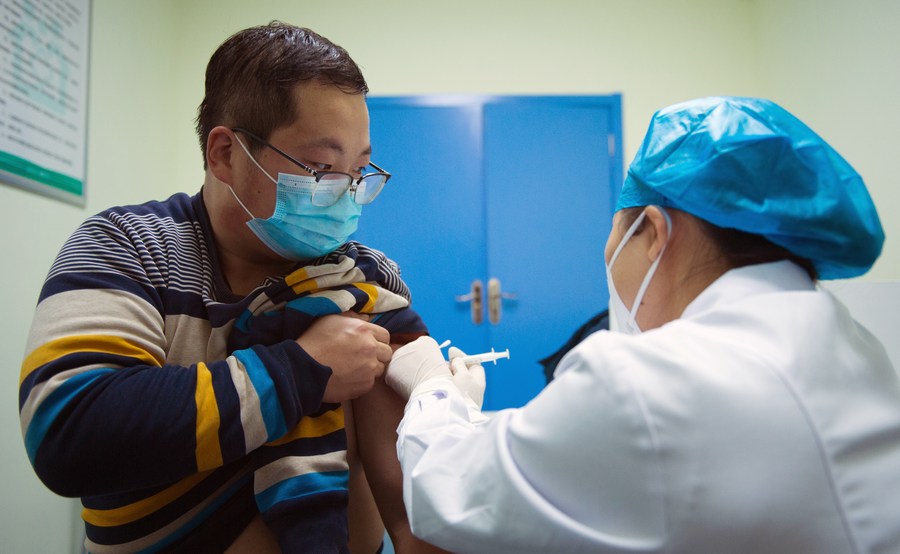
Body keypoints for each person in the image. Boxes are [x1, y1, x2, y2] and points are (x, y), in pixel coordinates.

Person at [384, 96, 900, 553]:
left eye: (614, 231)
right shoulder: (854, 345)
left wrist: (432, 389)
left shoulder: (646, 380)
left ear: (653, 231)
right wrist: (469, 417)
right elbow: (586, 450)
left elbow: (450, 495)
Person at [19, 22, 446, 553]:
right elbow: (68, 432)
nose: (346, 196)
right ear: (224, 153)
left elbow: (417, 519)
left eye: (358, 171)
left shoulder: (360, 278)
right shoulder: (130, 248)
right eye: (321, 169)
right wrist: (301, 369)